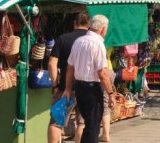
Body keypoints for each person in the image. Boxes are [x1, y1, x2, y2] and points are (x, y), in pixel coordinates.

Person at [62, 15, 116, 143]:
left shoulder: (78, 41)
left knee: (88, 124)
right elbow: (102, 73)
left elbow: (70, 68)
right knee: (92, 126)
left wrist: (68, 89)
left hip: (80, 88)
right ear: (103, 29)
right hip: (92, 89)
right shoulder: (98, 44)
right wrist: (111, 93)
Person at [48, 12, 90, 143]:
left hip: (66, 89)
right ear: (88, 25)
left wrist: (55, 85)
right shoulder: (92, 40)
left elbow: (51, 64)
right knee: (82, 123)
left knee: (56, 123)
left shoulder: (63, 38)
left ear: (74, 23)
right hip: (86, 88)